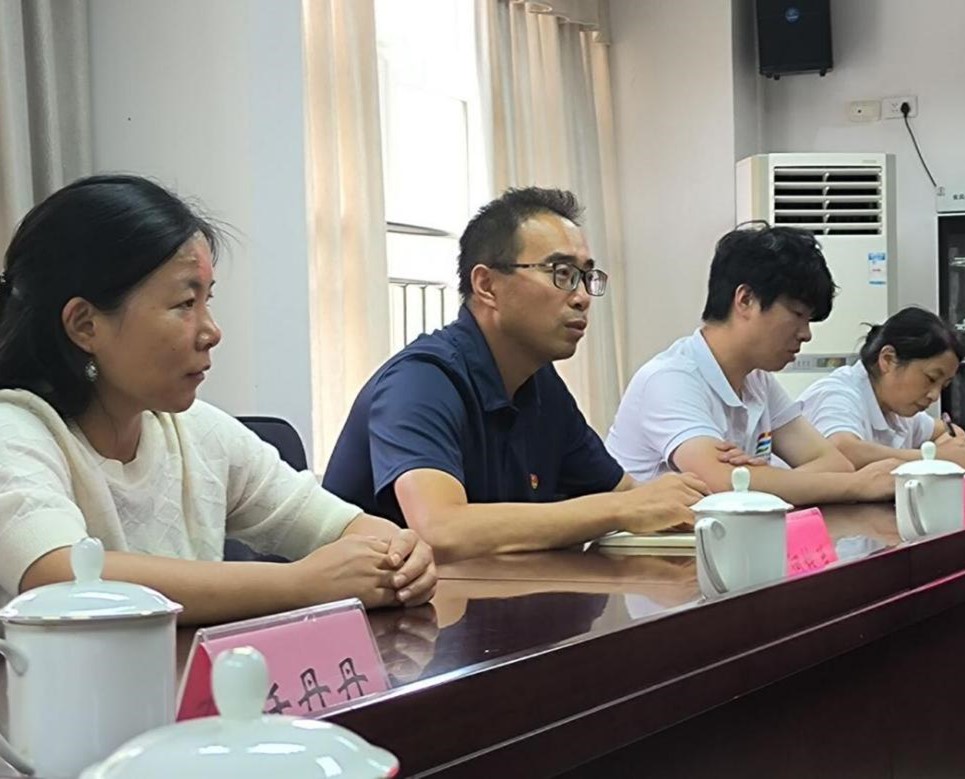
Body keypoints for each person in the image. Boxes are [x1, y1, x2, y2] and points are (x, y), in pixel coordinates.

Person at [0, 175, 436, 625]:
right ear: (85, 325)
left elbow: (338, 525)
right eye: (185, 304)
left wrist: (399, 554)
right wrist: (299, 584)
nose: (211, 331)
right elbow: (59, 576)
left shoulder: (199, 431)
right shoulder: (14, 432)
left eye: (207, 300)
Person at [324, 187, 708, 562]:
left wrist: (677, 504)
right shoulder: (420, 381)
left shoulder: (540, 384)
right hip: (373, 604)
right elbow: (440, 530)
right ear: (487, 285)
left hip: (494, 597)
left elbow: (623, 494)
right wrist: (620, 509)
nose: (582, 297)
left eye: (586, 276)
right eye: (561, 273)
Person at [606, 223, 897, 506]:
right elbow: (722, 484)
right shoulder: (670, 379)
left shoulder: (757, 381)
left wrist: (757, 479)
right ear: (745, 300)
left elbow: (835, 464)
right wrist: (859, 485)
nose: (806, 334)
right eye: (797, 314)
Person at [798, 306, 965, 469]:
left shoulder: (897, 411)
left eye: (944, 386)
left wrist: (954, 445)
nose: (935, 395)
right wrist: (934, 458)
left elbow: (944, 430)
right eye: (931, 379)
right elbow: (841, 451)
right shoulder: (838, 394)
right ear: (888, 359)